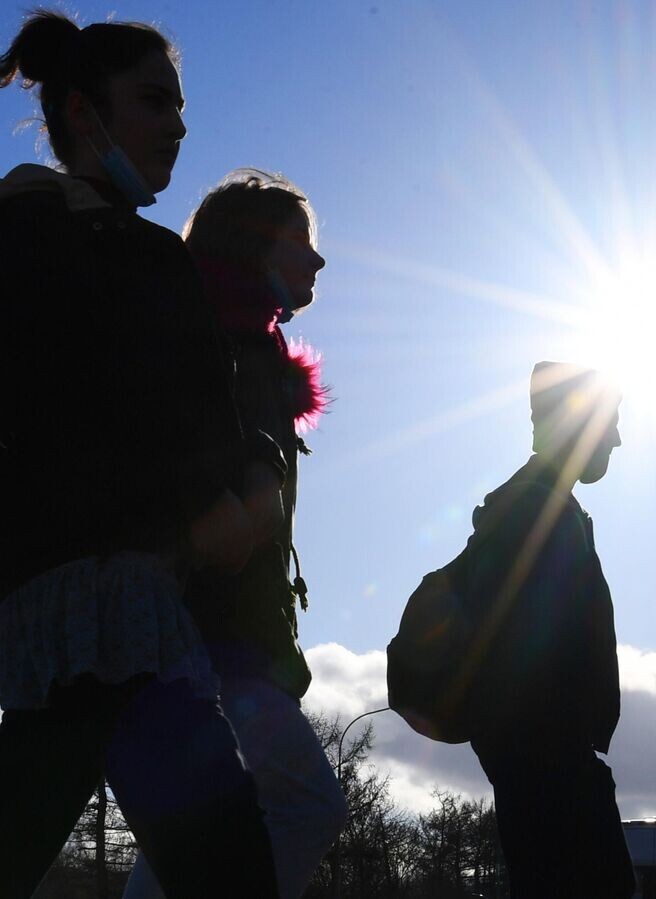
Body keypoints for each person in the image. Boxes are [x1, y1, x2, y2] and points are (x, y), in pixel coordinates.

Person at [0, 12, 280, 898]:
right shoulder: (136, 255)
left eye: (181, 106)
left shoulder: (29, 238)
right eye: (154, 101)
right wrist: (238, 482)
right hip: (120, 604)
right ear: (86, 113)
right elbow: (164, 412)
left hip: (57, 612)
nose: (178, 125)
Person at [123, 171, 343, 899]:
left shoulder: (251, 354)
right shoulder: (215, 348)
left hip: (217, 634)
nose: (316, 262)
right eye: (299, 244)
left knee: (191, 830)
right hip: (213, 637)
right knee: (306, 801)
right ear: (252, 247)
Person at [466, 362, 635, 899]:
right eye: (609, 422)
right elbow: (527, 648)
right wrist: (557, 753)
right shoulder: (537, 514)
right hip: (548, 760)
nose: (617, 438)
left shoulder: (544, 508)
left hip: (545, 756)